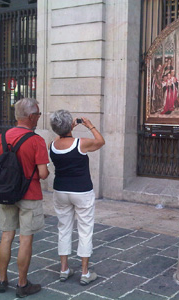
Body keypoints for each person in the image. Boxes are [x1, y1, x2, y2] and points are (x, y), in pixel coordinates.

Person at [0, 98, 50, 298]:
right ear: (31, 116)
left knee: (6, 236)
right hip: (29, 195)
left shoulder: (3, 137)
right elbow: (42, 174)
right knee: (25, 239)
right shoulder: (36, 140)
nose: (38, 118)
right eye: (38, 115)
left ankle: (2, 279)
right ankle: (22, 284)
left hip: (6, 193)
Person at [49, 110, 105, 286]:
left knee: (63, 228)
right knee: (85, 229)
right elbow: (100, 141)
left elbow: (62, 140)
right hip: (81, 191)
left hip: (60, 191)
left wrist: (67, 129)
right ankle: (85, 272)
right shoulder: (81, 144)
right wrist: (90, 126)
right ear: (69, 126)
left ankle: (64, 269)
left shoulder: (52, 145)